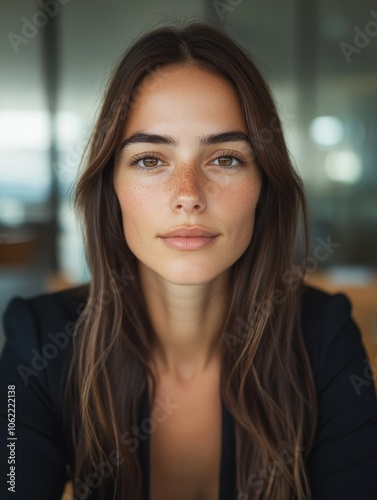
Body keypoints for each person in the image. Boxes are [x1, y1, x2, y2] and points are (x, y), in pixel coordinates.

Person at [0, 20, 377, 500]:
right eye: (150, 160)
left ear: (265, 186)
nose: (188, 197)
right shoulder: (40, 343)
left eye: (225, 158)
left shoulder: (324, 336)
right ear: (111, 188)